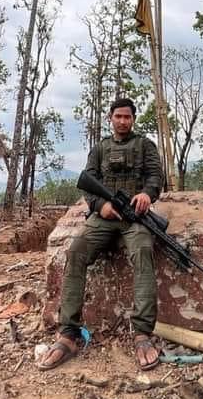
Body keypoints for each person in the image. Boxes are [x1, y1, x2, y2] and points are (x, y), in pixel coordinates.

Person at [38, 97, 163, 371]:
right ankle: (68, 334)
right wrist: (100, 206)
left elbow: (156, 176)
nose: (122, 121)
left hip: (135, 217)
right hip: (104, 217)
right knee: (76, 251)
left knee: (142, 251)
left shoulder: (145, 145)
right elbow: (88, 184)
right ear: (110, 118)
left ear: (133, 119)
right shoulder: (100, 149)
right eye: (118, 116)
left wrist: (146, 194)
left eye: (127, 117)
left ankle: (142, 333)